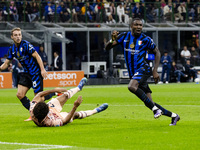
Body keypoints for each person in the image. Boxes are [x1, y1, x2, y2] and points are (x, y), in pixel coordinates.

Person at [105, 18, 180, 126]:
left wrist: (155, 70)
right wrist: (112, 40)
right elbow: (107, 48)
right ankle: (174, 116)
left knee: (131, 87)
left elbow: (157, 52)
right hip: (134, 73)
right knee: (149, 102)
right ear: (131, 26)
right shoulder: (123, 37)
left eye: (140, 25)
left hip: (143, 69)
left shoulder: (146, 39)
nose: (139, 27)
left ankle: (155, 110)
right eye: (136, 25)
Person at [0, 27, 56, 121]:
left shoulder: (26, 45)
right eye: (16, 35)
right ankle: (33, 112)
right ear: (12, 37)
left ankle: (54, 92)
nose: (18, 37)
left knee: (39, 99)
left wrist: (42, 70)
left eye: (19, 35)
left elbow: (37, 56)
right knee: (20, 94)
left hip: (36, 73)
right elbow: (6, 63)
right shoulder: (12, 49)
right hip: (26, 74)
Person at [29, 77, 108, 127]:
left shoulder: (32, 108)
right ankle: (96, 110)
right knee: (75, 115)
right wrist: (75, 107)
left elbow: (39, 95)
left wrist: (54, 90)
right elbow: (65, 120)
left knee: (64, 96)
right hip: (56, 116)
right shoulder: (51, 122)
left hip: (49, 109)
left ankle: (78, 88)